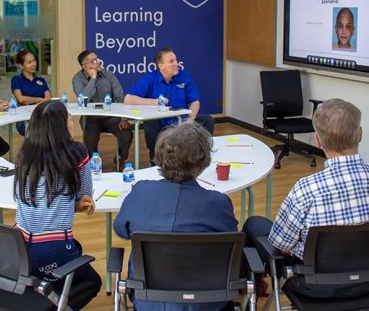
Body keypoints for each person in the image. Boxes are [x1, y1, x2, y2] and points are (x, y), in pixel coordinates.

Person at [243, 98, 369, 299]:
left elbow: (281, 246)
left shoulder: (307, 189)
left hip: (314, 287)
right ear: (360, 134)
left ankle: (253, 288)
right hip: (365, 283)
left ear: (318, 140)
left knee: (253, 224)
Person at [114, 122, 238, 311]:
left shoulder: (140, 192)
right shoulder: (219, 203)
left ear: (160, 158)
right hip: (208, 302)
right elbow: (231, 241)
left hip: (148, 301)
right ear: (201, 164)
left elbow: (121, 230)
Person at [14, 100, 101, 308]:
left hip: (18, 251)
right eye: (69, 117)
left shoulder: (24, 156)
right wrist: (76, 203)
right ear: (62, 126)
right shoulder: (76, 152)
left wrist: (67, 203)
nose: (72, 120)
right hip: (51, 251)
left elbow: (33, 200)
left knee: (75, 250)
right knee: (94, 281)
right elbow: (84, 196)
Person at [124, 47, 214, 165]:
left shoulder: (184, 76)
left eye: (176, 60)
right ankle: (155, 161)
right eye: (171, 61)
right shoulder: (150, 78)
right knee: (150, 123)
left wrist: (190, 119)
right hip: (161, 121)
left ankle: (201, 159)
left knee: (208, 120)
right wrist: (155, 102)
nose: (176, 63)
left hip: (182, 120)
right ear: (161, 66)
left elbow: (195, 101)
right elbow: (128, 99)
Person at [72, 50, 133, 167]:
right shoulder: (77, 79)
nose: (99, 62)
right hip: (91, 118)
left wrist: (123, 118)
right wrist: (93, 78)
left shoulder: (108, 75)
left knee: (127, 133)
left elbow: (120, 96)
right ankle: (94, 162)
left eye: (98, 59)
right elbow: (83, 100)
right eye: (94, 61)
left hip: (111, 116)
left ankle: (120, 157)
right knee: (90, 138)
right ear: (85, 66)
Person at [11, 49, 51, 136]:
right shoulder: (16, 80)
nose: (33, 64)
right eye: (29, 62)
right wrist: (41, 99)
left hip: (42, 114)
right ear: (21, 65)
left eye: (34, 60)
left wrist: (30, 102)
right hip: (24, 117)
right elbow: (21, 99)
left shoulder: (41, 80)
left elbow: (48, 99)